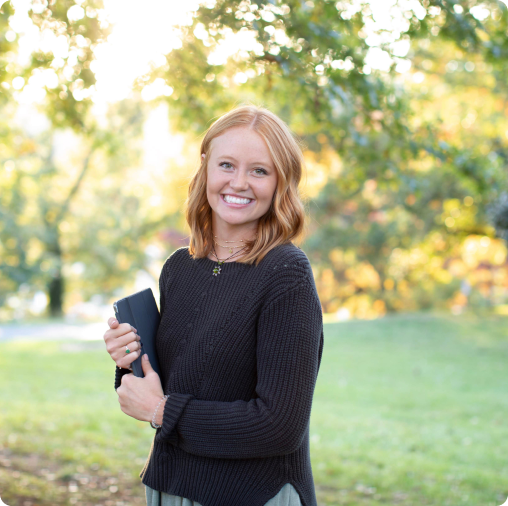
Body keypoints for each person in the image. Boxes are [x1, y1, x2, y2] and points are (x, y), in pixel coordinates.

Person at [103, 104, 324, 506]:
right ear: (205, 167)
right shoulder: (179, 267)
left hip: (249, 495)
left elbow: (279, 426)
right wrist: (129, 363)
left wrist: (160, 411)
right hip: (169, 486)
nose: (239, 183)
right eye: (226, 165)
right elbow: (173, 387)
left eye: (260, 170)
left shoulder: (285, 274)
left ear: (280, 183)